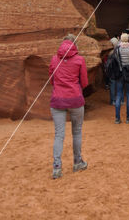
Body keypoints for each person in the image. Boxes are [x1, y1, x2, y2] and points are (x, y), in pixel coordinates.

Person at [49, 34, 88, 179]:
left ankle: (57, 167)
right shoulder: (79, 60)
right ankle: (77, 162)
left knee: (59, 134)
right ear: (74, 44)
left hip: (57, 99)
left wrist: (60, 88)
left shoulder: (54, 59)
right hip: (75, 99)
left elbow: (52, 78)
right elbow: (84, 81)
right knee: (77, 131)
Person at [114, 30, 129, 124]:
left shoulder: (118, 49)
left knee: (119, 95)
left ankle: (117, 118)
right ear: (128, 40)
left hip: (120, 73)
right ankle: (128, 118)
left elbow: (117, 46)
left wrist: (121, 39)